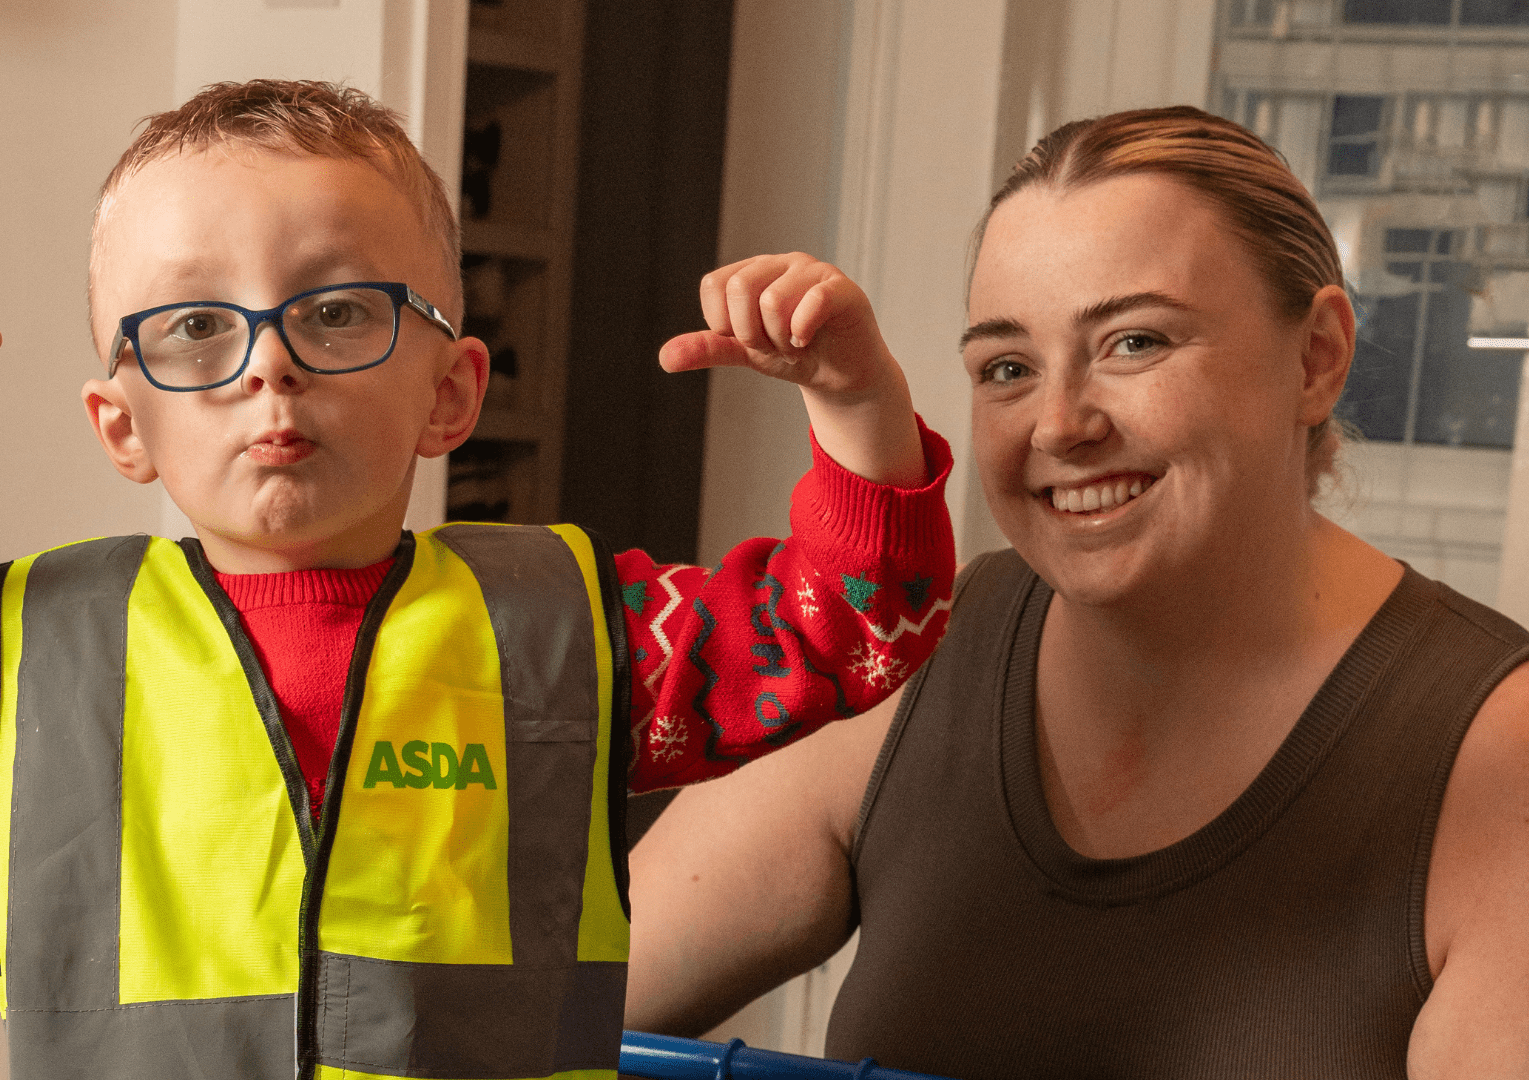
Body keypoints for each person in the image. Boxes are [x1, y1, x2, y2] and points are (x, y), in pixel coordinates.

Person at [0, 81, 956, 1080]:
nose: (269, 367)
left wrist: (855, 399)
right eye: (194, 325)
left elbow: (856, 628)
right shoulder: (20, 663)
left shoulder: (579, 638)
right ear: (120, 426)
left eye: (339, 311)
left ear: (451, 392)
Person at [623, 106, 1529, 1078]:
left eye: (1135, 343)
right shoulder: (925, 652)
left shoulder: (1498, 753)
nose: (1059, 425)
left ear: (1316, 358)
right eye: (1008, 368)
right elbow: (503, 1008)